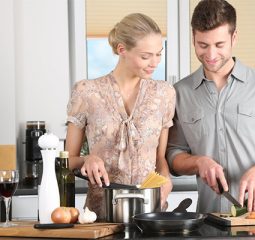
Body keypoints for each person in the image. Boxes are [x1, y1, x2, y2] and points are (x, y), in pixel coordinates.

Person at [166, 0, 255, 214]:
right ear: (193, 39)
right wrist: (199, 162)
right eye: (203, 45)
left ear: (234, 38)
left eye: (219, 45)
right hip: (209, 219)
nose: (210, 55)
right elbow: (174, 155)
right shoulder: (180, 92)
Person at [65, 13, 175, 220]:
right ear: (121, 49)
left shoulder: (165, 93)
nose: (155, 63)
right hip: (100, 215)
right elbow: (66, 162)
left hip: (150, 214)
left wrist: (166, 179)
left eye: (159, 54)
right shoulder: (87, 92)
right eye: (146, 56)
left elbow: (160, 158)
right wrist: (87, 159)